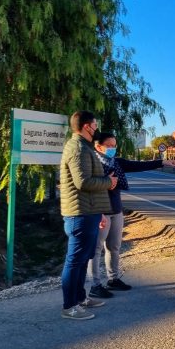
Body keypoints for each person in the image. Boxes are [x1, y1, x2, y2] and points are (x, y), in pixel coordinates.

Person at [87, 132, 169, 298]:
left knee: (114, 247)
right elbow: (87, 188)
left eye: (114, 145)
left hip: (116, 210)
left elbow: (138, 165)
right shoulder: (91, 164)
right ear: (98, 146)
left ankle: (113, 279)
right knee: (95, 250)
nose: (112, 149)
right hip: (99, 212)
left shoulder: (117, 163)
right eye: (109, 145)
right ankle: (95, 285)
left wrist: (163, 162)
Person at [59, 111, 117, 320]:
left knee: (83, 258)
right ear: (85, 126)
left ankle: (80, 298)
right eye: (94, 125)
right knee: (75, 260)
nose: (96, 128)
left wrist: (99, 212)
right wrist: (108, 182)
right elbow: (82, 182)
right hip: (79, 213)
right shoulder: (78, 149)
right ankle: (69, 306)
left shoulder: (83, 147)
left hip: (88, 211)